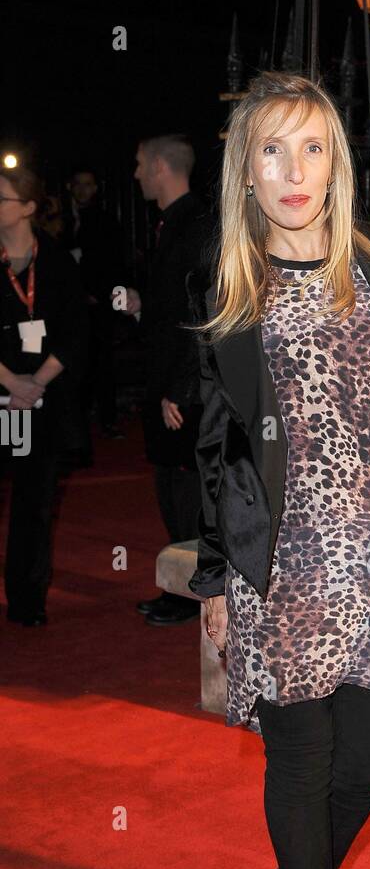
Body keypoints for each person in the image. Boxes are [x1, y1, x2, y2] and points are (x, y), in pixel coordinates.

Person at [186, 71, 370, 869]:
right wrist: (214, 577)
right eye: (272, 151)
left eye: (313, 148)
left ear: (338, 163)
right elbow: (217, 447)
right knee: (303, 755)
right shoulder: (228, 299)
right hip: (284, 569)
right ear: (244, 172)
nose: (294, 172)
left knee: (368, 758)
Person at [128, 134, 215, 625]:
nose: (136, 173)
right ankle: (182, 588)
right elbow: (173, 306)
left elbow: (200, 315)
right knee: (169, 482)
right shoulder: (170, 224)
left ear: (161, 166)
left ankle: (190, 593)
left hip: (181, 387)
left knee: (185, 488)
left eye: (141, 163)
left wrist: (179, 389)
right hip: (166, 380)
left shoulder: (195, 225)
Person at [0, 165, 89, 625]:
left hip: (43, 401)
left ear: (29, 208)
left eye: (2, 199)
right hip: (3, 395)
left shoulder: (54, 260)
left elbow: (76, 331)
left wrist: (37, 382)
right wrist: (11, 381)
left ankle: (27, 600)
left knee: (35, 504)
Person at [63, 166, 126, 438]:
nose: (82, 190)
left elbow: (111, 263)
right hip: (68, 307)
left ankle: (106, 420)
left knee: (102, 363)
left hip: (97, 305)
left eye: (88, 184)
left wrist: (97, 294)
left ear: (96, 188)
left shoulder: (104, 220)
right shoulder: (61, 221)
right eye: (78, 184)